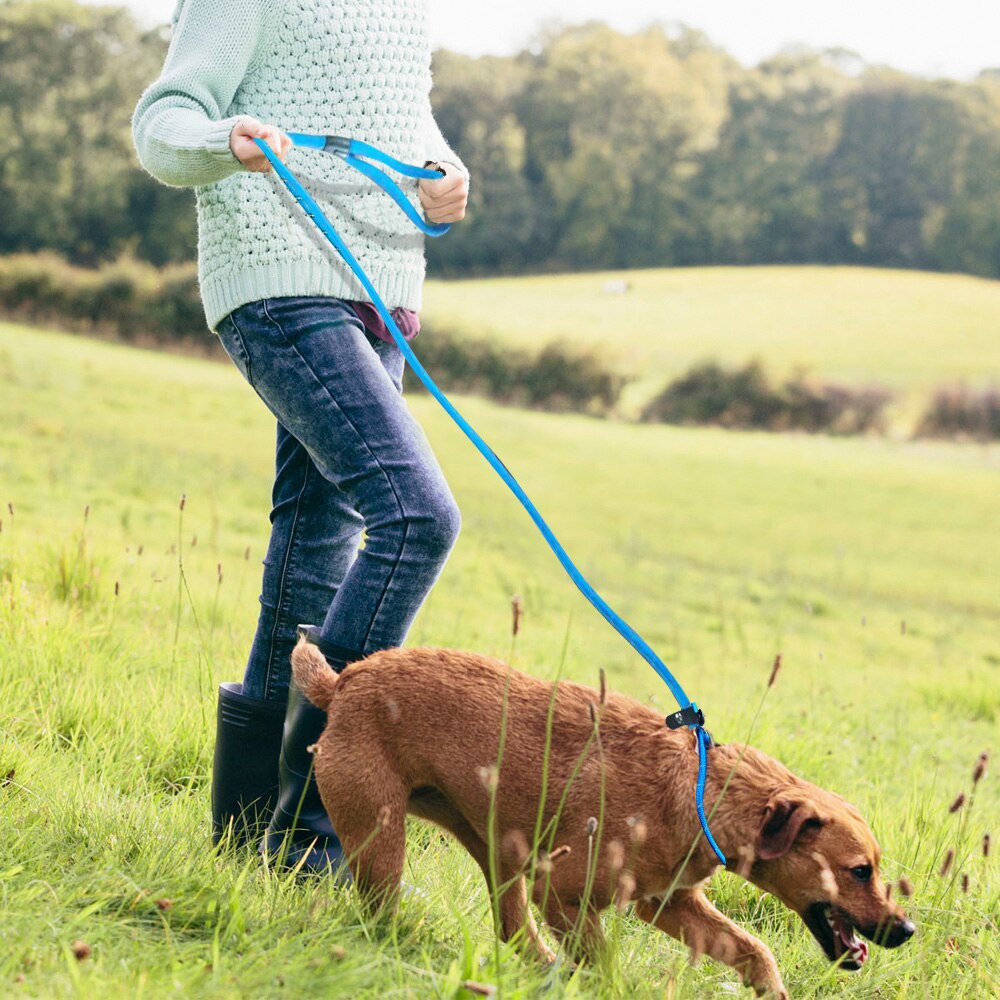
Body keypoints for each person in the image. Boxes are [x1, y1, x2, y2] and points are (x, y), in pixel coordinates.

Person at [132, 0, 469, 872]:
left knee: (318, 536)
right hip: (280, 280)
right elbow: (163, 124)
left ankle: (248, 830)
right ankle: (313, 824)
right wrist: (225, 140)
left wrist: (443, 178)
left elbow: (403, 123)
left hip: (382, 292)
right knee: (417, 516)